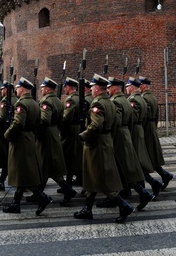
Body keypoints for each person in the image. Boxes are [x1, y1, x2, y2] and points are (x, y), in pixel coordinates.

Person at [73, 74, 134, 223]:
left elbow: (95, 126)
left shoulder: (98, 104)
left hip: (96, 145)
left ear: (97, 89)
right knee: (93, 177)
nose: (91, 90)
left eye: (93, 87)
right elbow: (114, 125)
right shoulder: (109, 102)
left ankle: (123, 205)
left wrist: (84, 135)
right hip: (105, 141)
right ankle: (87, 209)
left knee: (102, 179)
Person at [1, 77, 52, 215]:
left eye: (17, 88)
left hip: (20, 141)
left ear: (22, 89)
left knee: (21, 172)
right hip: (29, 138)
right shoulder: (35, 104)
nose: (16, 90)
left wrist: (7, 134)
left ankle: (42, 198)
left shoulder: (21, 104)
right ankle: (16, 203)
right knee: (22, 172)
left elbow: (18, 123)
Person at [106, 77, 155, 211]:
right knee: (126, 167)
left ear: (114, 88)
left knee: (123, 167)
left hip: (120, 136)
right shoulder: (126, 100)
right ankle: (135, 192)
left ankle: (141, 193)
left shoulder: (120, 101)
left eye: (109, 87)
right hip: (127, 133)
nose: (107, 90)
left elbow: (117, 121)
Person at [35, 77, 77, 205]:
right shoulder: (58, 101)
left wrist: (36, 131)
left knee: (45, 164)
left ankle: (65, 190)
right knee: (47, 166)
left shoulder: (46, 101)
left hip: (46, 134)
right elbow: (61, 120)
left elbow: (44, 120)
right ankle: (39, 193)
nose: (41, 90)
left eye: (42, 87)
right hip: (54, 133)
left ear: (47, 89)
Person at [125, 77, 163, 197]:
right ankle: (145, 186)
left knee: (135, 161)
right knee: (138, 161)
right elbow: (154, 115)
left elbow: (132, 119)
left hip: (136, 131)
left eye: (127, 87)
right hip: (142, 129)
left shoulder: (135, 100)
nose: (126, 89)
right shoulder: (143, 98)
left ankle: (146, 187)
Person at [140, 76, 173, 190]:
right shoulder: (152, 97)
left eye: (140, 85)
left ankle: (157, 180)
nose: (138, 87)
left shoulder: (144, 98)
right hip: (152, 127)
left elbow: (144, 116)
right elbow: (156, 115)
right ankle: (165, 175)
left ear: (144, 86)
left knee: (145, 156)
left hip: (147, 129)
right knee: (151, 155)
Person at [60, 77, 82, 189]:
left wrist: (59, 126)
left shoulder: (71, 100)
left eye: (65, 87)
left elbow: (66, 118)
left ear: (68, 87)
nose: (64, 89)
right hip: (77, 129)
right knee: (74, 156)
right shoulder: (80, 98)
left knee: (68, 157)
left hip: (70, 131)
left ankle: (67, 184)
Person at [0, 81, 15, 187]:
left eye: (3, 89)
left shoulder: (4, 101)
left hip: (5, 131)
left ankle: (2, 180)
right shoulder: (16, 99)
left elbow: (2, 118)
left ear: (6, 90)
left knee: (5, 157)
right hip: (13, 131)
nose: (2, 91)